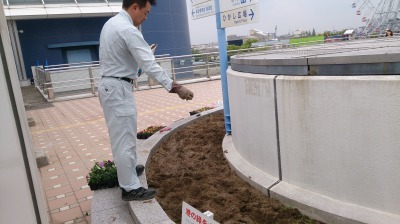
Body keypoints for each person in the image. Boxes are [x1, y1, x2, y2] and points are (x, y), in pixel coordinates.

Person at [98, 0, 194, 201]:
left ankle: (129, 171)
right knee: (123, 138)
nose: (146, 17)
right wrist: (175, 87)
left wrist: (144, 54)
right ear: (135, 7)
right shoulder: (128, 30)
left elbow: (123, 60)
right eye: (146, 12)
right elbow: (149, 65)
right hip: (118, 89)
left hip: (113, 85)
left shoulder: (111, 24)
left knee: (124, 134)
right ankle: (130, 188)